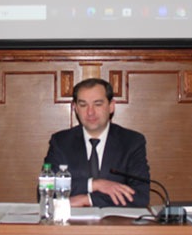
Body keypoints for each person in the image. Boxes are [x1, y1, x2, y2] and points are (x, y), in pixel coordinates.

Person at [44, 78, 150, 208]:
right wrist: (93, 184)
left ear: (111, 106)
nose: (90, 112)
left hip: (115, 220)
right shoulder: (61, 142)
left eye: (98, 104)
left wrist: (88, 200)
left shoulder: (131, 142)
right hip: (70, 220)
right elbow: (46, 190)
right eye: (83, 105)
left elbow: (140, 195)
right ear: (75, 108)